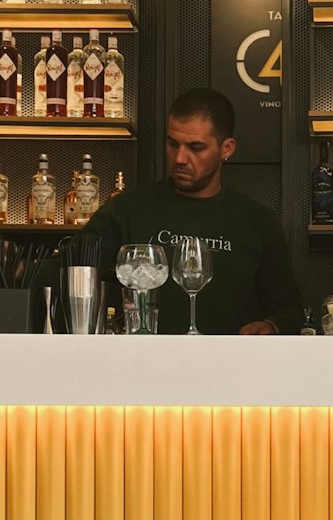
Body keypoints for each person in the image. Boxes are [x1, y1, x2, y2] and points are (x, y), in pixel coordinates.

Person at [81, 88, 303, 335]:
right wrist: (29, 268)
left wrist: (270, 326)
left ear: (226, 148)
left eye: (196, 147)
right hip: (143, 366)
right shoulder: (127, 210)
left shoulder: (257, 222)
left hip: (232, 366)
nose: (180, 158)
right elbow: (71, 266)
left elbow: (289, 309)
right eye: (172, 144)